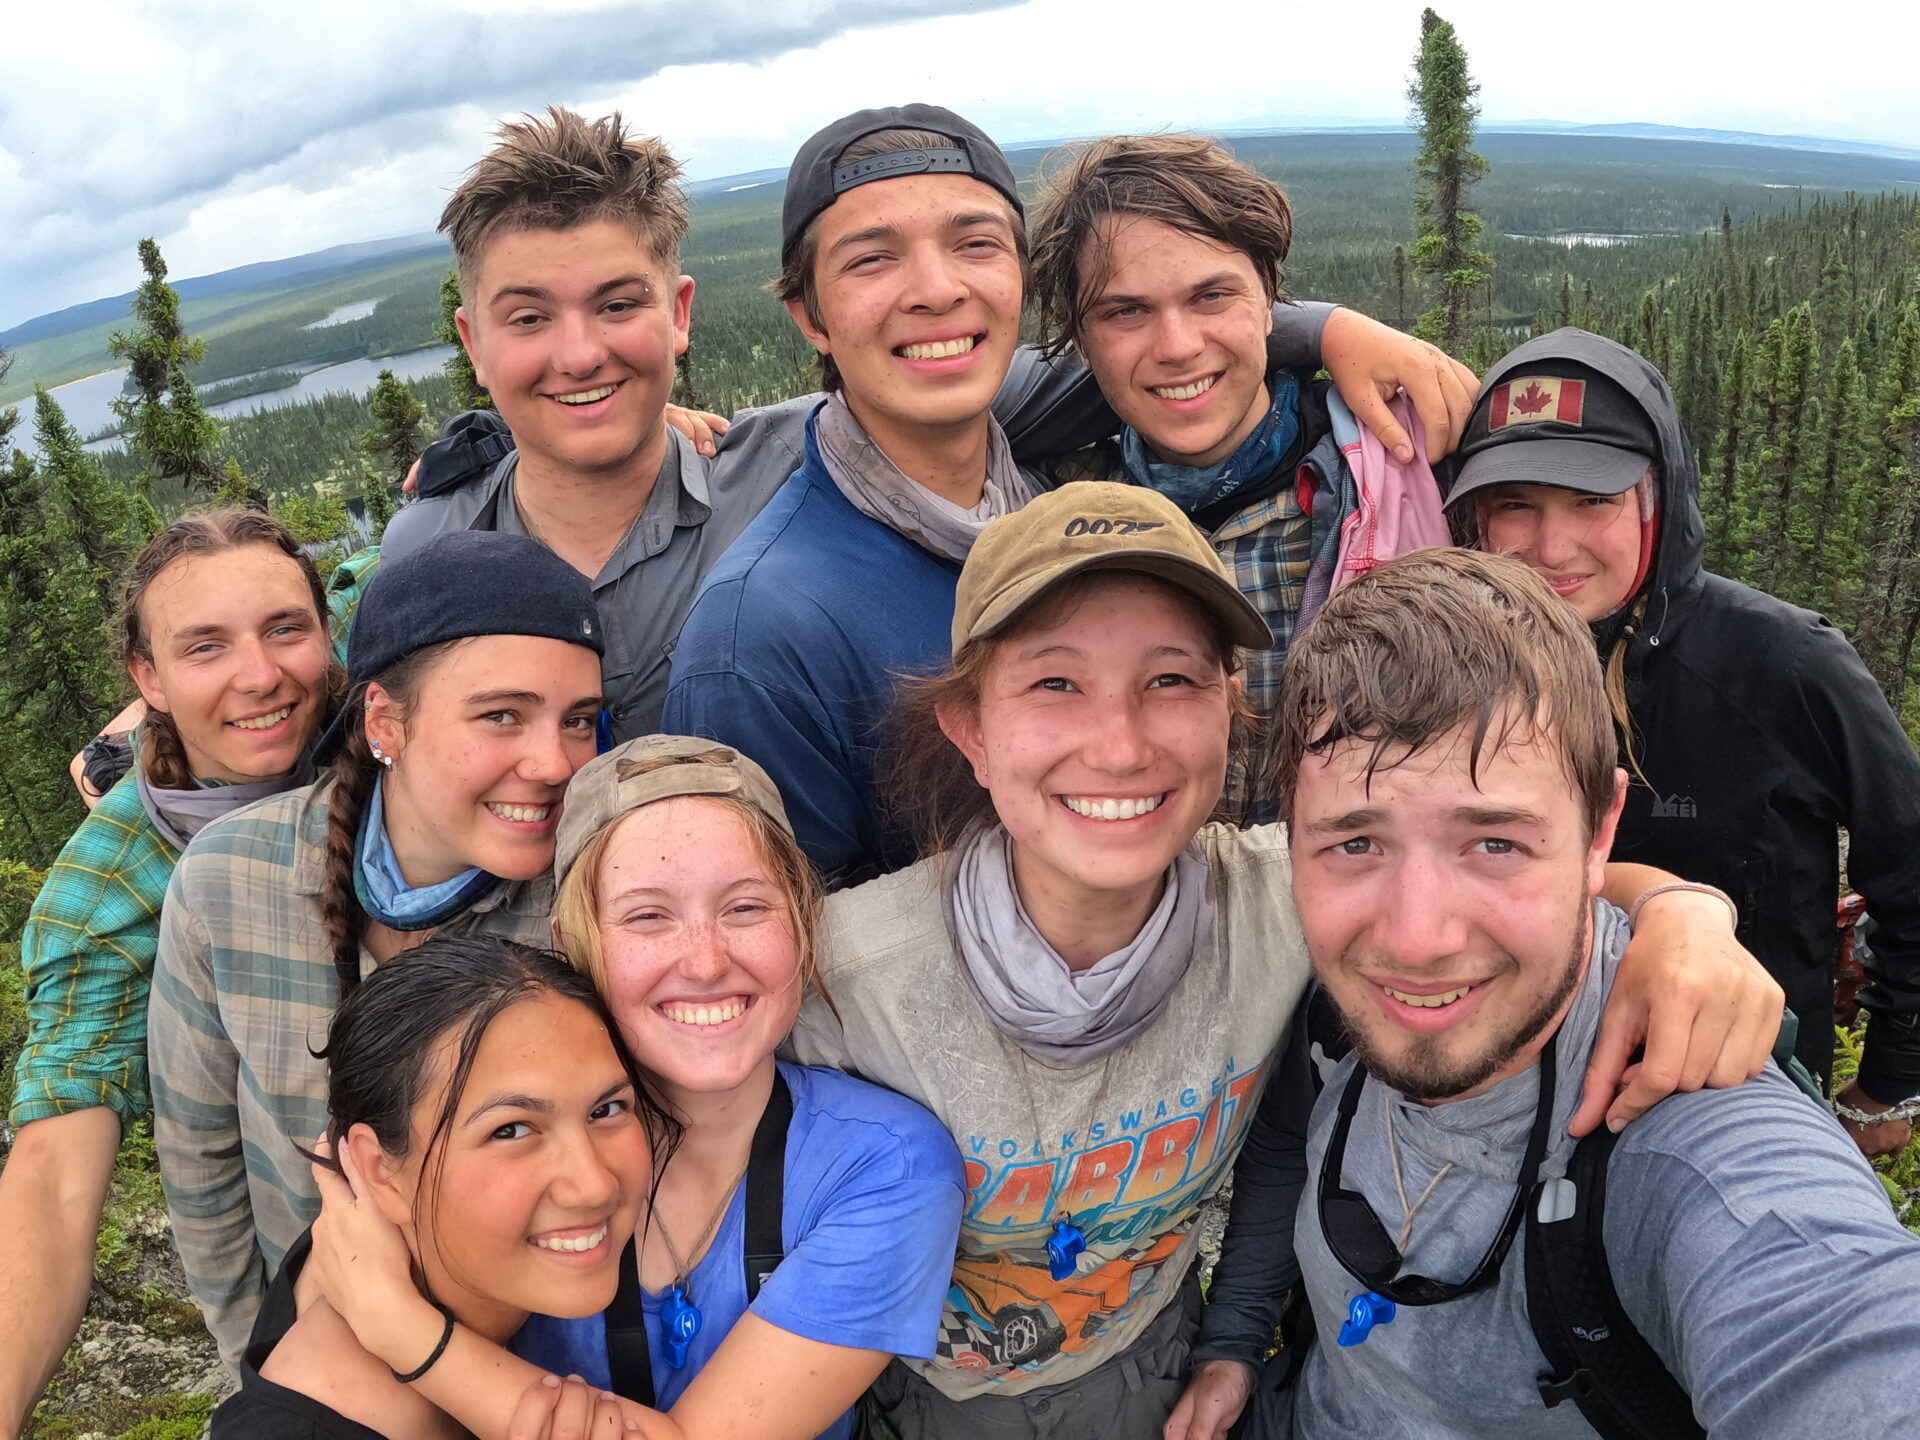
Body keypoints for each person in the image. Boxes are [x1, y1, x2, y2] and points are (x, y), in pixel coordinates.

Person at [783, 482, 1780, 1440]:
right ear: (972, 729)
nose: (1120, 744)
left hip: (1157, 1367)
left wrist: (1678, 913)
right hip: (916, 1395)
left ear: (1229, 707)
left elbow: (1508, 870)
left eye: (1170, 679)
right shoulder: (841, 980)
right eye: (1054, 682)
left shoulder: (1289, 900)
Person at [1184, 548, 1920, 1439]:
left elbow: (1841, 1337)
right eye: (1355, 843)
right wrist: (1232, 1342)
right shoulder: (1335, 1001)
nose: (1418, 941)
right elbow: (1293, 1135)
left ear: (1600, 826)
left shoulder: (1685, 1144)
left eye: (1494, 843)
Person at [661, 105, 1477, 884]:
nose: (935, 290)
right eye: (872, 259)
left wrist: (1333, 328)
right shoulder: (761, 628)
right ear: (809, 315)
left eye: (974, 244)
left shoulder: (1406, 482)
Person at [296, 736, 966, 1440]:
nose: (706, 961)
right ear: (571, 942)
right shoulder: (479, 1135)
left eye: (745, 908)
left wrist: (404, 1330)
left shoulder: (887, 1165)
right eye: (648, 916)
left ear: (803, 926)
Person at [1443, 328, 1920, 1153]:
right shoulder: (1453, 670)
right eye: (1516, 503)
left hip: (1731, 1108)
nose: (1552, 550)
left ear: (1658, 500)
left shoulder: (1782, 663)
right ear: (1474, 516)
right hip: (1503, 1114)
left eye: (1594, 501)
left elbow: (1912, 868)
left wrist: (1891, 1080)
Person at [148, 528, 608, 1366]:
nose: (553, 762)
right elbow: (200, 1156)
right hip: (319, 1358)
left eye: (579, 720)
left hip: (542, 1374)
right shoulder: (227, 882)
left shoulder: (593, 903)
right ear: (386, 721)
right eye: (501, 715)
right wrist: (260, 1360)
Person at [0, 509, 337, 1434]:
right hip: (324, 1308)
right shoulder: (111, 881)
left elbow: (374, 564)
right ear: (147, 678)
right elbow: (55, 1169)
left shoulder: (398, 728)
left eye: (284, 629)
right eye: (203, 648)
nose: (261, 676)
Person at [1024, 135, 1462, 798]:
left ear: (1269, 302)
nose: (1177, 346)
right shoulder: (1043, 514)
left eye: (1211, 297)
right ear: (1080, 340)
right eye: (1127, 310)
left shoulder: (1410, 471)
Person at [366, 106, 789, 742]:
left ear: (678, 314)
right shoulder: (425, 549)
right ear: (474, 343)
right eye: (529, 318)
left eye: (618, 305)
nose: (581, 355)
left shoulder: (788, 471)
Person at [209, 935, 666, 1440]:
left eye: (606, 1110)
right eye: (510, 1130)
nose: (594, 1185)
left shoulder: (426, 1250)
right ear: (378, 1170)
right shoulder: (303, 1422)